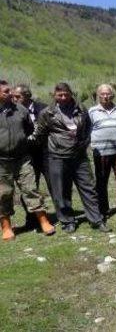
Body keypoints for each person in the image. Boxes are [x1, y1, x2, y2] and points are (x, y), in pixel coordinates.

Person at [34, 82, 110, 233]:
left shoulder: (81, 109)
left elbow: (88, 128)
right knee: (61, 191)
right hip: (57, 157)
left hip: (79, 157)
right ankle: (67, 221)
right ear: (54, 96)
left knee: (88, 188)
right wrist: (52, 148)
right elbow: (40, 134)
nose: (63, 97)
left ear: (71, 94)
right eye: (59, 95)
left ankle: (96, 220)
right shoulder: (47, 113)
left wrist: (84, 143)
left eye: (66, 94)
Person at [0, 81, 54, 240]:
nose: (9, 93)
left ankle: (44, 221)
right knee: (3, 194)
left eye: (9, 90)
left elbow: (29, 129)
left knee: (30, 189)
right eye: (5, 91)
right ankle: (6, 227)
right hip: (1, 162)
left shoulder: (20, 110)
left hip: (22, 159)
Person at [88, 84, 116, 218]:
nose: (105, 96)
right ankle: (103, 208)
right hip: (100, 151)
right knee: (101, 180)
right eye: (102, 94)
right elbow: (87, 129)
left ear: (112, 95)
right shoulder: (92, 111)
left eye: (108, 94)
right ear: (98, 95)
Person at [11, 84, 49, 192]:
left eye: (18, 97)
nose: (15, 99)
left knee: (54, 184)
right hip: (27, 155)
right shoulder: (12, 111)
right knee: (29, 187)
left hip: (45, 152)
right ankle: (32, 208)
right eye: (13, 96)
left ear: (27, 96)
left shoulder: (44, 109)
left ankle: (62, 208)